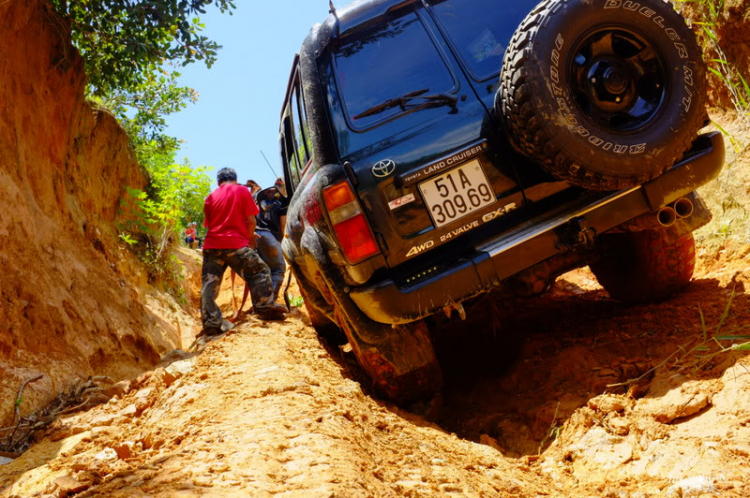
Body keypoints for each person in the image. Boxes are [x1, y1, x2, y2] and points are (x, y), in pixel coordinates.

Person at [200, 167, 285, 335]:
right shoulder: (241, 191)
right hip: (235, 243)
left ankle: (211, 323)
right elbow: (252, 221)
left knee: (209, 284)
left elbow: (209, 225)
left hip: (211, 245)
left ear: (219, 182)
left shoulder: (210, 197)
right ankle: (265, 308)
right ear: (235, 178)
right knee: (260, 271)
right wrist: (250, 238)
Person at [255, 177, 289, 300]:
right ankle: (270, 302)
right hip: (270, 236)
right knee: (278, 270)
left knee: (263, 271)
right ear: (283, 188)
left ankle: (259, 303)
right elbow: (283, 225)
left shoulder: (260, 197)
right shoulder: (283, 201)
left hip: (256, 236)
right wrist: (282, 242)